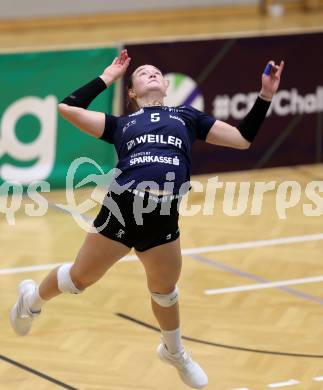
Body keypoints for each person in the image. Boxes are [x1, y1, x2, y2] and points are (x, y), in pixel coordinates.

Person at [10, 49, 284, 389]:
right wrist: (108, 76)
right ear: (132, 92)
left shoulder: (186, 117)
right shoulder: (121, 124)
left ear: (167, 85)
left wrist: (265, 96)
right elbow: (68, 108)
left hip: (164, 214)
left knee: (165, 291)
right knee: (79, 280)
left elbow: (243, 139)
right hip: (124, 207)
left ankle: (174, 351)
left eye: (156, 72)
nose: (151, 74)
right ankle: (32, 300)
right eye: (142, 74)